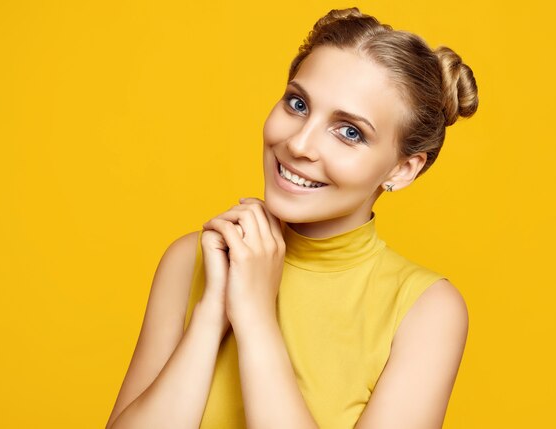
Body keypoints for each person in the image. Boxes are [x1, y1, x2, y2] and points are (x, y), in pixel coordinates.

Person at [106, 7, 478, 429]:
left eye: (350, 131)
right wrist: (212, 314)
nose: (299, 143)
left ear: (402, 169)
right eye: (297, 104)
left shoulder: (425, 311)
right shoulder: (192, 258)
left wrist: (256, 318)